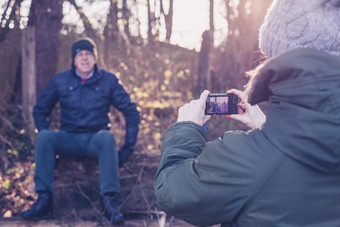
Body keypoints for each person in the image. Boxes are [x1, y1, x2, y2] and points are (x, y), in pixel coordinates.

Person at [153, 0, 340, 226]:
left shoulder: (248, 161)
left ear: (282, 63)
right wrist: (267, 126)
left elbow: (172, 191)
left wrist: (186, 129)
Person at [21, 38, 140, 224]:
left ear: (95, 58)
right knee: (45, 136)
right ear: (74, 59)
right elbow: (40, 110)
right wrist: (48, 141)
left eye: (89, 54)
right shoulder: (60, 80)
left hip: (95, 139)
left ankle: (108, 200)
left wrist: (128, 146)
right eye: (80, 54)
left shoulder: (108, 80)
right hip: (68, 138)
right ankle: (44, 199)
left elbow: (131, 111)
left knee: (107, 137)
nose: (84, 58)